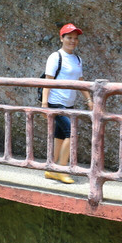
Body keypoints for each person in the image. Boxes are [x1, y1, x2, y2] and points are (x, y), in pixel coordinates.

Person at [40, 23, 93, 184]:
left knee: (60, 135)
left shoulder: (77, 59)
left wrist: (89, 99)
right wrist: (44, 105)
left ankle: (51, 169)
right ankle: (61, 169)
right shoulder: (56, 57)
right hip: (56, 103)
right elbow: (47, 82)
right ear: (61, 38)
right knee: (72, 132)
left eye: (75, 38)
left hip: (69, 103)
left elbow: (80, 81)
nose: (72, 41)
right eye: (69, 37)